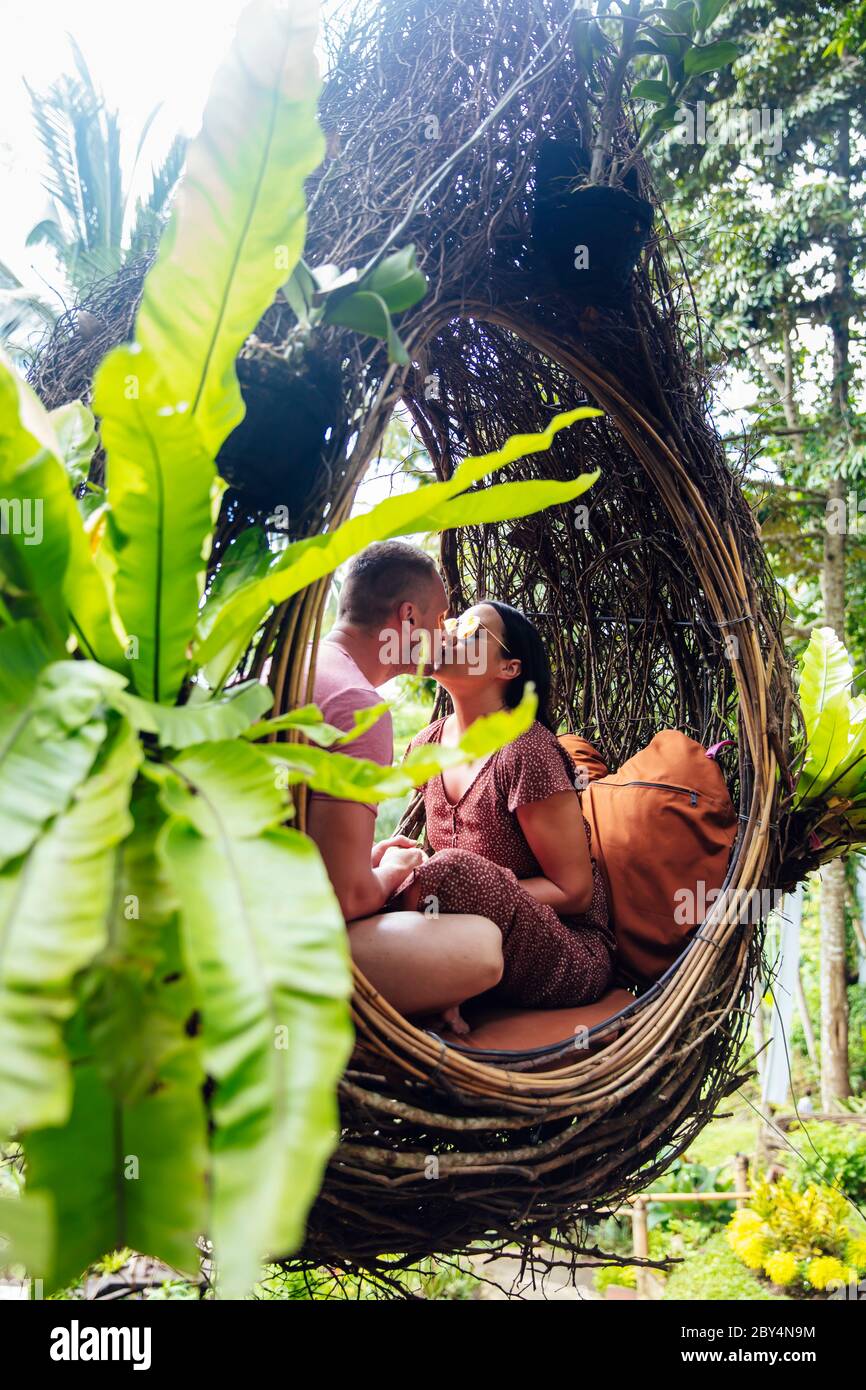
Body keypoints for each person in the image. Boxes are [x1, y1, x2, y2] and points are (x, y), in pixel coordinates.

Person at [307, 541, 504, 1024]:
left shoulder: (294, 666)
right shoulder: (358, 707)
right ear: (408, 617)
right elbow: (347, 898)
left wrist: (365, 860)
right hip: (281, 943)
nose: (445, 638)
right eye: (442, 623)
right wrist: (392, 870)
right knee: (481, 947)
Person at [398, 600, 615, 1017]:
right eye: (453, 622)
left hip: (565, 946)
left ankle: (443, 982)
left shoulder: (526, 750)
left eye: (471, 631)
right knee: (393, 863)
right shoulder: (425, 746)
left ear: (508, 669)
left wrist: (472, 892)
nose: (451, 632)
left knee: (446, 871)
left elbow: (575, 892)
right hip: (471, 940)